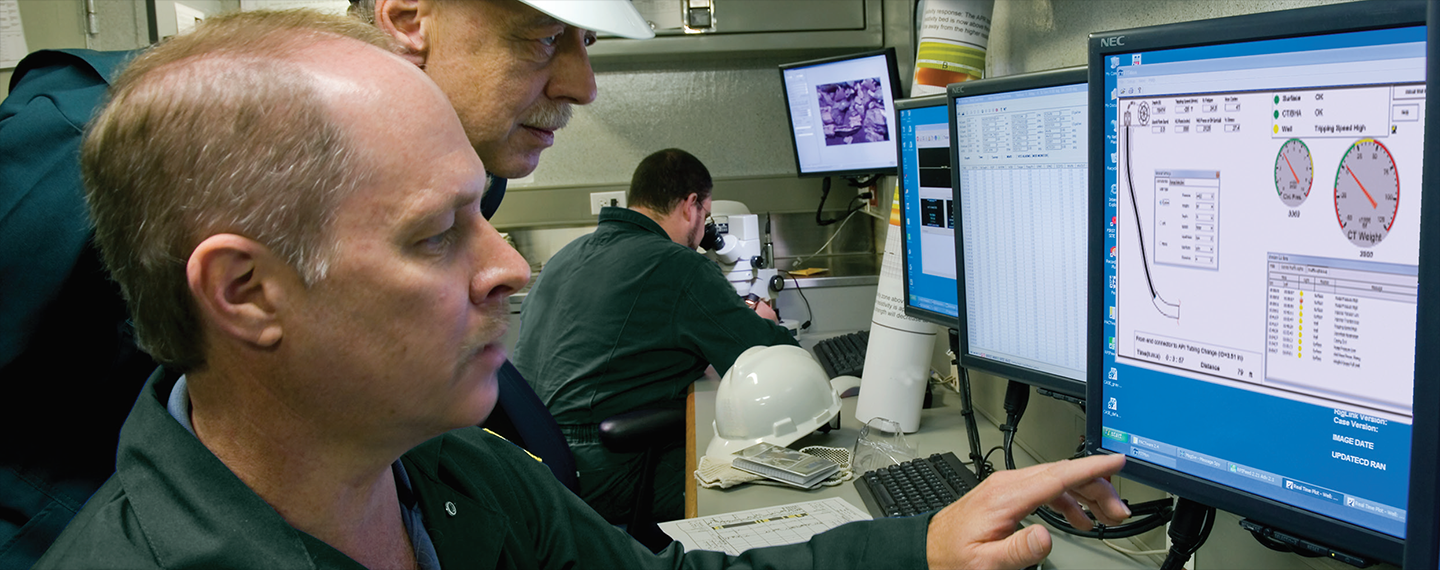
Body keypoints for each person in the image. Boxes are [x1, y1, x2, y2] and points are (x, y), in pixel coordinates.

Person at [36, 11, 1131, 569]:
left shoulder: (447, 474)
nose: (510, 267)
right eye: (435, 234)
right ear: (246, 293)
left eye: (482, 211)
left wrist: (925, 545)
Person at [0, 1, 649, 565]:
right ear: (407, 17)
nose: (581, 85)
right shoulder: (86, 142)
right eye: (541, 37)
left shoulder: (466, 165)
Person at [512, 148, 799, 524]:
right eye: (706, 215)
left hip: (534, 465)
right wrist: (765, 319)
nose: (702, 232)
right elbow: (778, 359)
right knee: (761, 488)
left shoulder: (568, 255)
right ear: (691, 204)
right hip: (607, 472)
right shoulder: (679, 266)